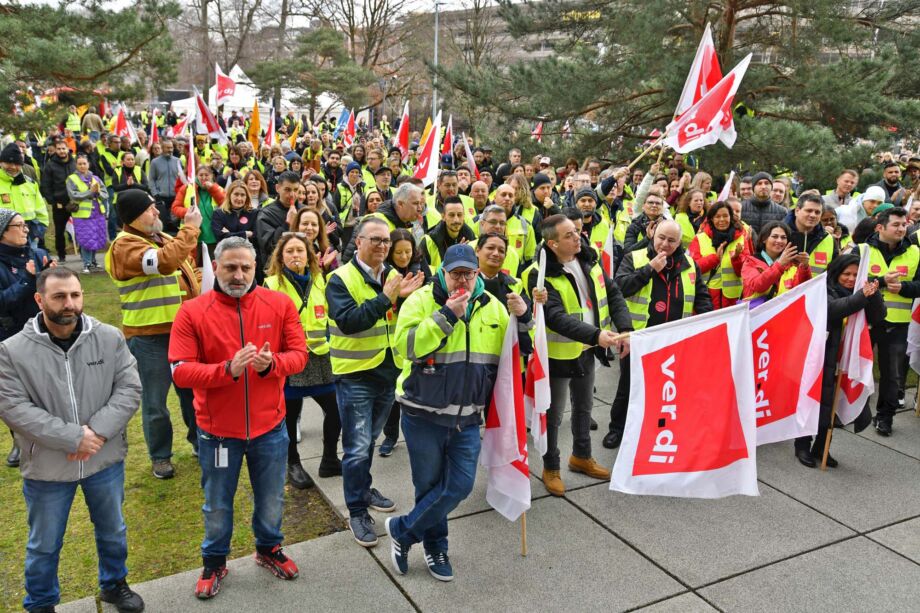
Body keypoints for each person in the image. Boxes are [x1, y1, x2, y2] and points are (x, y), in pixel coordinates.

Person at [169, 237, 307, 599]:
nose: (239, 275)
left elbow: (299, 355)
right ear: (215, 267)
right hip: (218, 433)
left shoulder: (279, 304)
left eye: (246, 267)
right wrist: (227, 370)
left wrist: (272, 365)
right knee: (217, 503)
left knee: (272, 498)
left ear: (256, 268)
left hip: (269, 429)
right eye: (230, 267)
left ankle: (268, 548)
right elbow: (180, 371)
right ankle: (214, 561)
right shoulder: (192, 312)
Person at [0, 267, 144, 613]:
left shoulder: (109, 337)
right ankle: (41, 603)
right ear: (39, 300)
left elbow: (129, 388)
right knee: (44, 544)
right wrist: (72, 438)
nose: (69, 304)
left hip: (103, 458)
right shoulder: (12, 350)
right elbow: (12, 406)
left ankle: (114, 584)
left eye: (75, 295)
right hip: (48, 467)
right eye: (59, 296)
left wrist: (96, 433)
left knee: (113, 530)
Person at [385, 243, 530, 582]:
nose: (462, 280)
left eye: (469, 273)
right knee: (428, 486)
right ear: (443, 273)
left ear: (478, 273)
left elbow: (519, 353)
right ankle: (437, 548)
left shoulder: (493, 307)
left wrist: (524, 318)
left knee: (460, 486)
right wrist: (446, 316)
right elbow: (405, 348)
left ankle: (403, 531)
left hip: (468, 418)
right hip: (423, 414)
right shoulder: (421, 300)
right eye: (456, 274)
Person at [326, 217, 422, 548]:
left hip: (387, 371)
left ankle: (364, 489)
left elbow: (398, 320)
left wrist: (403, 299)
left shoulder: (392, 275)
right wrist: (386, 298)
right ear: (358, 242)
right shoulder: (339, 279)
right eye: (376, 240)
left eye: (386, 241)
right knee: (355, 446)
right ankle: (356, 510)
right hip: (355, 375)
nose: (383, 246)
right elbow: (349, 322)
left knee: (367, 440)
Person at [523, 214, 632, 494]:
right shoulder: (539, 273)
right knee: (554, 416)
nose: (577, 237)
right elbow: (556, 317)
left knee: (584, 407)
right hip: (558, 355)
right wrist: (596, 335)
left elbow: (613, 293)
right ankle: (551, 466)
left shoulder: (588, 259)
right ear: (553, 243)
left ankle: (581, 456)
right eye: (569, 235)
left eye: (576, 231)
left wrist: (625, 327)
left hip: (587, 350)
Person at [105, 189, 202, 479]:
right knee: (156, 403)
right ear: (134, 216)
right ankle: (160, 457)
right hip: (149, 338)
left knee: (192, 395)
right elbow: (163, 263)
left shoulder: (162, 238)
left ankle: (200, 443)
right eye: (150, 209)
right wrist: (190, 229)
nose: (157, 212)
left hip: (182, 334)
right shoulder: (124, 247)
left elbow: (186, 270)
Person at [604, 221, 712, 451]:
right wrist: (650, 269)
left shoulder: (689, 264)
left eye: (672, 240)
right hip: (638, 338)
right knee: (629, 387)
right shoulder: (634, 257)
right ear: (653, 234)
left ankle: (657, 429)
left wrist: (707, 323)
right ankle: (617, 429)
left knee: (666, 389)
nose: (665, 244)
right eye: (661, 237)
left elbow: (702, 297)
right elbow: (620, 288)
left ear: (679, 242)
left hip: (674, 339)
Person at [264, 232, 342, 486]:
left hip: (320, 357)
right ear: (280, 257)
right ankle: (293, 463)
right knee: (289, 414)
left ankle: (330, 459)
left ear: (309, 256)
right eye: (289, 251)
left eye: (300, 250)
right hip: (289, 359)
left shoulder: (321, 281)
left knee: (336, 411)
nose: (295, 255)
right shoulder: (271, 284)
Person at [793, 254, 884, 468]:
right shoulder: (824, 289)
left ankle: (822, 447)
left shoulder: (862, 291)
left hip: (846, 358)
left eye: (855, 274)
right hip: (823, 358)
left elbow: (878, 315)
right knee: (814, 402)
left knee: (834, 404)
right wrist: (861, 296)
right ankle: (802, 445)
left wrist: (874, 295)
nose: (851, 279)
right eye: (846, 274)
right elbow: (833, 310)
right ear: (836, 273)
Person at [0, 208, 52, 468]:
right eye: (18, 226)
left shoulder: (38, 254)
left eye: (25, 225)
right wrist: (27, 278)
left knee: (47, 387)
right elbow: (2, 302)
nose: (26, 230)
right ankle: (19, 441)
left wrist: (54, 276)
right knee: (16, 393)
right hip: (12, 336)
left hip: (45, 333)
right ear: (2, 232)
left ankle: (52, 436)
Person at [863, 207, 920, 435]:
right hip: (865, 320)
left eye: (904, 224)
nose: (901, 229)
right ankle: (850, 412)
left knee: (893, 375)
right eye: (896, 224)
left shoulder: (916, 252)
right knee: (856, 367)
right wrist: (881, 280)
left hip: (898, 324)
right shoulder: (862, 250)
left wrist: (905, 287)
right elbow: (849, 279)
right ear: (880, 227)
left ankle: (885, 417)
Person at [378, 228, 431, 458]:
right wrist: (399, 296)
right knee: (392, 395)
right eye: (398, 252)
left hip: (417, 338)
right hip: (391, 341)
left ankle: (418, 436)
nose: (403, 257)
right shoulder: (384, 273)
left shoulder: (421, 268)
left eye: (407, 252)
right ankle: (390, 436)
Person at [689, 201, 749, 309]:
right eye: (717, 216)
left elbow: (746, 271)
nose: (721, 220)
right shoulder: (699, 239)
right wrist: (715, 259)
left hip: (733, 299)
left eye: (725, 216)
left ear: (731, 217)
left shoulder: (741, 238)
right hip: (707, 297)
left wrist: (736, 258)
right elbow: (693, 268)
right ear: (711, 219)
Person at [741, 221, 811, 302]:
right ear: (764, 239)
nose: (779, 240)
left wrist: (805, 267)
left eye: (783, 237)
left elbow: (803, 288)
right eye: (775, 236)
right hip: (757, 310)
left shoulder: (792, 264)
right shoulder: (750, 262)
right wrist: (779, 264)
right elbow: (758, 286)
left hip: (784, 309)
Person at [0, 143, 49, 249]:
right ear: (1, 163)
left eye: (17, 163)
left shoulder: (31, 184)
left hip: (29, 236)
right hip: (3, 236)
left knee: (30, 260)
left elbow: (42, 212)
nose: (13, 167)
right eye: (9, 163)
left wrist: (37, 233)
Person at [66, 155, 109, 273]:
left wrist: (98, 192)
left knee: (96, 238)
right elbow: (73, 195)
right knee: (85, 239)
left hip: (98, 213)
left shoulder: (96, 178)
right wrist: (90, 192)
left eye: (84, 163)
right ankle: (86, 263)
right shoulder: (72, 179)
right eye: (79, 164)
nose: (82, 166)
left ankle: (93, 261)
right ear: (76, 165)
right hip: (82, 215)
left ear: (88, 164)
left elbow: (105, 194)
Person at [172, 164, 225, 257]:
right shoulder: (186, 188)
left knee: (213, 263)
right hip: (192, 235)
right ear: (196, 176)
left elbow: (225, 204)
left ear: (212, 176)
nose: (203, 178)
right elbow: (175, 208)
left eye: (206, 175)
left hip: (213, 235)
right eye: (201, 175)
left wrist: (213, 189)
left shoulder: (218, 188)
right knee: (194, 263)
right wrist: (189, 212)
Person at [40, 140, 76, 261]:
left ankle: (85, 254)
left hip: (76, 202)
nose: (61, 151)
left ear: (67, 149)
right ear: (55, 150)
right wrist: (52, 201)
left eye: (63, 148)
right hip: (59, 204)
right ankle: (61, 255)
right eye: (59, 149)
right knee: (59, 231)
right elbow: (45, 185)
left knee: (81, 229)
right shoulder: (50, 165)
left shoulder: (75, 162)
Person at [256, 171, 301, 260]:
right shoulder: (266, 213)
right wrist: (287, 224)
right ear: (277, 188)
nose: (292, 195)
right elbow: (268, 246)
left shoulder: (304, 210)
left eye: (296, 190)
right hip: (277, 263)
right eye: (287, 190)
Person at [420, 198, 476, 270]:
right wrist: (453, 258)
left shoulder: (473, 240)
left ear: (464, 216)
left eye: (459, 215)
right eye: (451, 215)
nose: (456, 220)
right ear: (443, 217)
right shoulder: (428, 241)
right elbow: (423, 272)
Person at [148, 140, 181, 234]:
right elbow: (151, 179)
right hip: (161, 197)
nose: (170, 150)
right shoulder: (155, 162)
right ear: (162, 148)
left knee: (175, 223)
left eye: (171, 148)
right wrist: (155, 194)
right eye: (168, 148)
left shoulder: (177, 161)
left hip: (176, 196)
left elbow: (181, 178)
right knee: (163, 224)